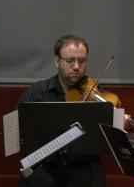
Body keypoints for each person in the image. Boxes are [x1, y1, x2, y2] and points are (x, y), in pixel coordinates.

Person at [16, 35, 106, 187]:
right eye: (70, 60)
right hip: (44, 168)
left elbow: (106, 136)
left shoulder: (96, 94)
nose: (77, 67)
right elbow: (17, 130)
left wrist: (118, 121)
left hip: (83, 168)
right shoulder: (37, 93)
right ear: (57, 61)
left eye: (82, 61)